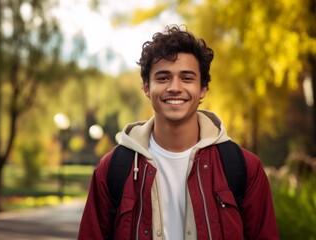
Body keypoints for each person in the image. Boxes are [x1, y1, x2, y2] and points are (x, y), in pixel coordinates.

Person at [78, 25, 278, 240]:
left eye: (187, 78)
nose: (175, 87)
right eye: (163, 78)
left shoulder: (244, 167)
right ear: (146, 87)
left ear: (203, 89)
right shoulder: (113, 169)